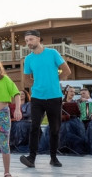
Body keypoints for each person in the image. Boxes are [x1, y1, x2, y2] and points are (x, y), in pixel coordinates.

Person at [20, 29, 71, 168]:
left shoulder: (52, 53)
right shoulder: (28, 59)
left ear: (38, 39)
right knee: (34, 127)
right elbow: (26, 79)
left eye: (30, 39)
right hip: (37, 98)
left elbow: (67, 71)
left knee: (54, 128)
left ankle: (54, 158)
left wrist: (54, 80)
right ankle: (31, 158)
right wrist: (37, 85)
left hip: (54, 97)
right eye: (26, 41)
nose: (28, 43)